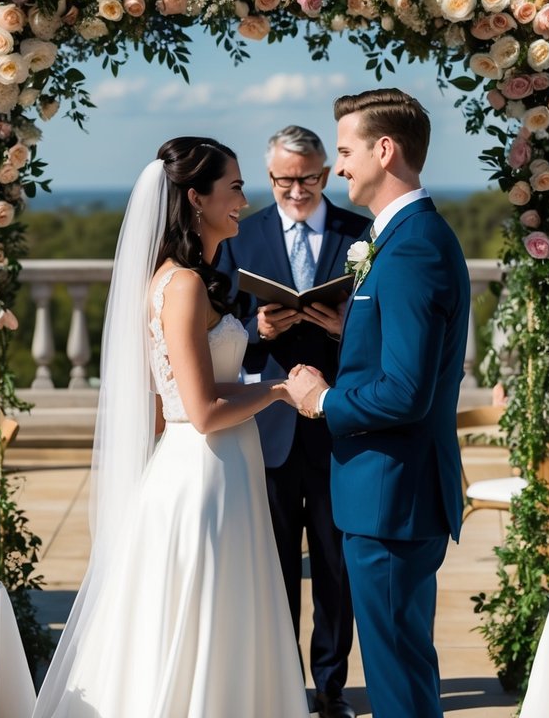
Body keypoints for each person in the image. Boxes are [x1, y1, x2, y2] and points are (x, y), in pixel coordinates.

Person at [33, 138, 308, 718]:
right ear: (195, 197)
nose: (243, 198)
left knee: (221, 619)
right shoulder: (181, 284)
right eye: (233, 187)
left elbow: (181, 398)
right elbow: (202, 411)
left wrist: (267, 388)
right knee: (206, 619)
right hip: (205, 473)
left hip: (219, 466)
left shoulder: (185, 278)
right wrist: (280, 390)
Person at [285, 89, 471, 718]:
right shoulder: (397, 238)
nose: (337, 167)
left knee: (398, 678)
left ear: (384, 150)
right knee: (402, 665)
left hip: (393, 496)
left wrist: (322, 400)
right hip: (388, 492)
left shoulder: (414, 245)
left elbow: (406, 393)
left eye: (344, 151)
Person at [216, 126, 367, 718]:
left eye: (307, 178)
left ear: (326, 174)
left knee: (336, 568)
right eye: (284, 180)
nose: (296, 190)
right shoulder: (241, 235)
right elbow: (219, 327)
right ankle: (278, 690)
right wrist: (261, 330)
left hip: (337, 427)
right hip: (270, 427)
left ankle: (330, 693)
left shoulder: (362, 235)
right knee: (273, 566)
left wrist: (341, 328)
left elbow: (381, 328)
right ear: (269, 177)